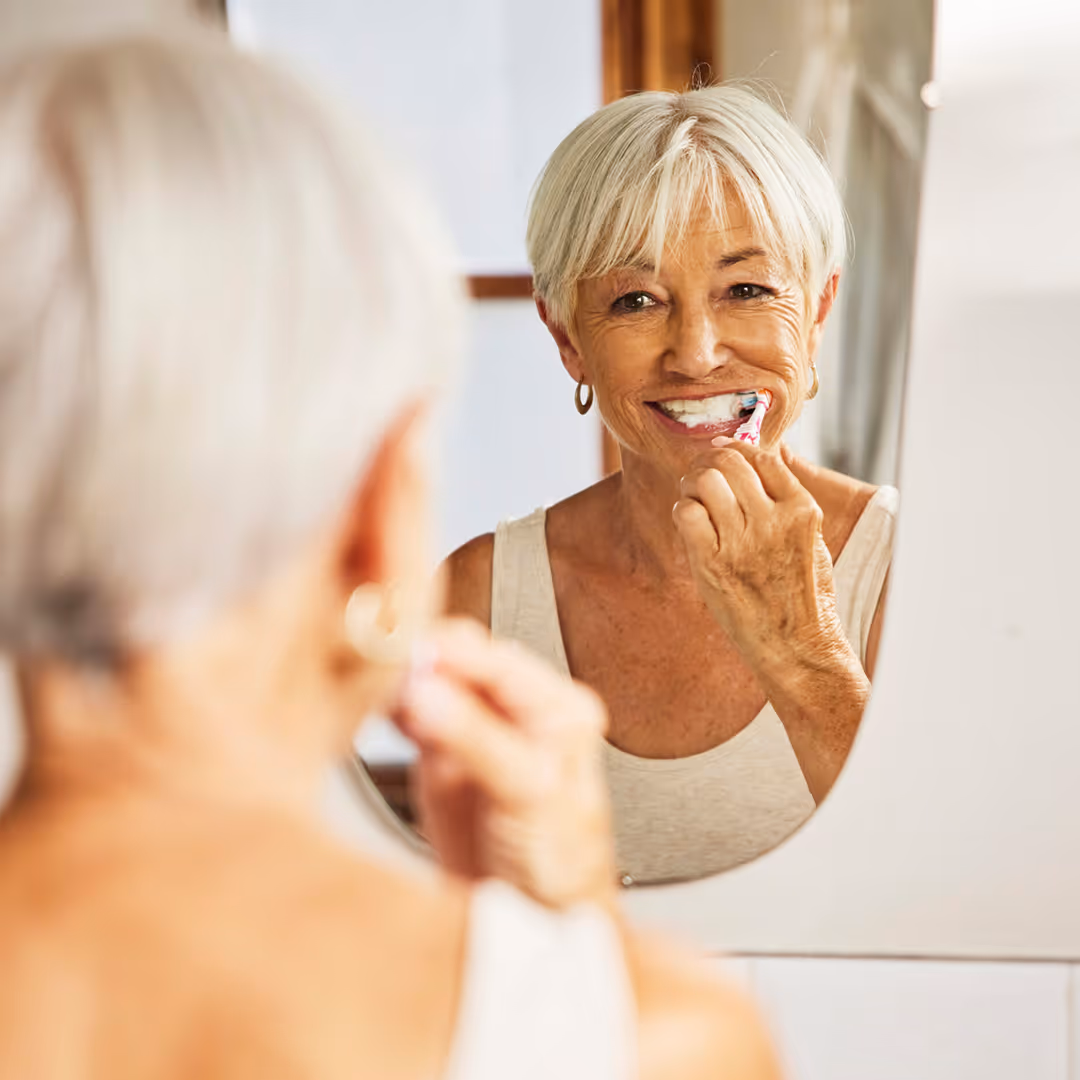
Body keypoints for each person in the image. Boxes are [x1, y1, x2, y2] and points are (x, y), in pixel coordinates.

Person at [0, 36, 780, 1080]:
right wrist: (572, 975)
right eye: (635, 298)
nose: (694, 348)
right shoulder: (661, 1039)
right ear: (380, 505)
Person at [448, 87, 898, 885]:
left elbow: (956, 894)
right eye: (636, 301)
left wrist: (802, 649)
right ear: (567, 341)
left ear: (819, 311)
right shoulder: (478, 597)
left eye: (748, 290)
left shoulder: (911, 570)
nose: (694, 354)